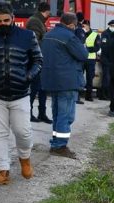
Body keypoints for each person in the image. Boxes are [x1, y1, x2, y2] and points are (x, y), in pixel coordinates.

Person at [0, 2, 42, 185]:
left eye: (6, 20)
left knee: (23, 132)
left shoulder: (27, 36)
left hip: (20, 93)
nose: (2, 23)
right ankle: (3, 170)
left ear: (13, 18)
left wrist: (28, 76)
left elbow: (38, 60)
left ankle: (25, 159)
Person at [40, 12, 88, 159]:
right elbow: (83, 55)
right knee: (66, 115)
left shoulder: (49, 34)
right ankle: (60, 146)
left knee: (57, 113)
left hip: (51, 79)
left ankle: (55, 141)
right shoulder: (69, 36)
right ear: (72, 24)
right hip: (66, 81)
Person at [25, 2, 52, 124]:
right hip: (36, 60)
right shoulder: (35, 21)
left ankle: (42, 113)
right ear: (46, 11)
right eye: (48, 13)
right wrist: (47, 45)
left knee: (42, 88)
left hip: (41, 59)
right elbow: (34, 42)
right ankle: (29, 113)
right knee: (35, 88)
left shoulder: (39, 21)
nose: (49, 15)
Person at [97, 20, 114, 101]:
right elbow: (104, 46)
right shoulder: (105, 33)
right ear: (109, 25)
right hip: (106, 58)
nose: (113, 27)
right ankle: (103, 94)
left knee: (111, 77)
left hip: (113, 59)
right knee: (106, 77)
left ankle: (108, 93)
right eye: (112, 25)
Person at [83, 19, 100, 101]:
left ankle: (88, 95)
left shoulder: (95, 35)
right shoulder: (80, 33)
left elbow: (97, 47)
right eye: (82, 26)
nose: (84, 27)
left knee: (90, 77)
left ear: (88, 26)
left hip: (91, 59)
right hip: (81, 58)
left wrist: (87, 49)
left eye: (85, 26)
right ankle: (77, 96)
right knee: (79, 76)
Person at [74, 12, 86, 105]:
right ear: (82, 20)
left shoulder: (72, 28)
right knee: (78, 77)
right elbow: (81, 44)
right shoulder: (80, 30)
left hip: (71, 56)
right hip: (78, 57)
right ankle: (76, 97)